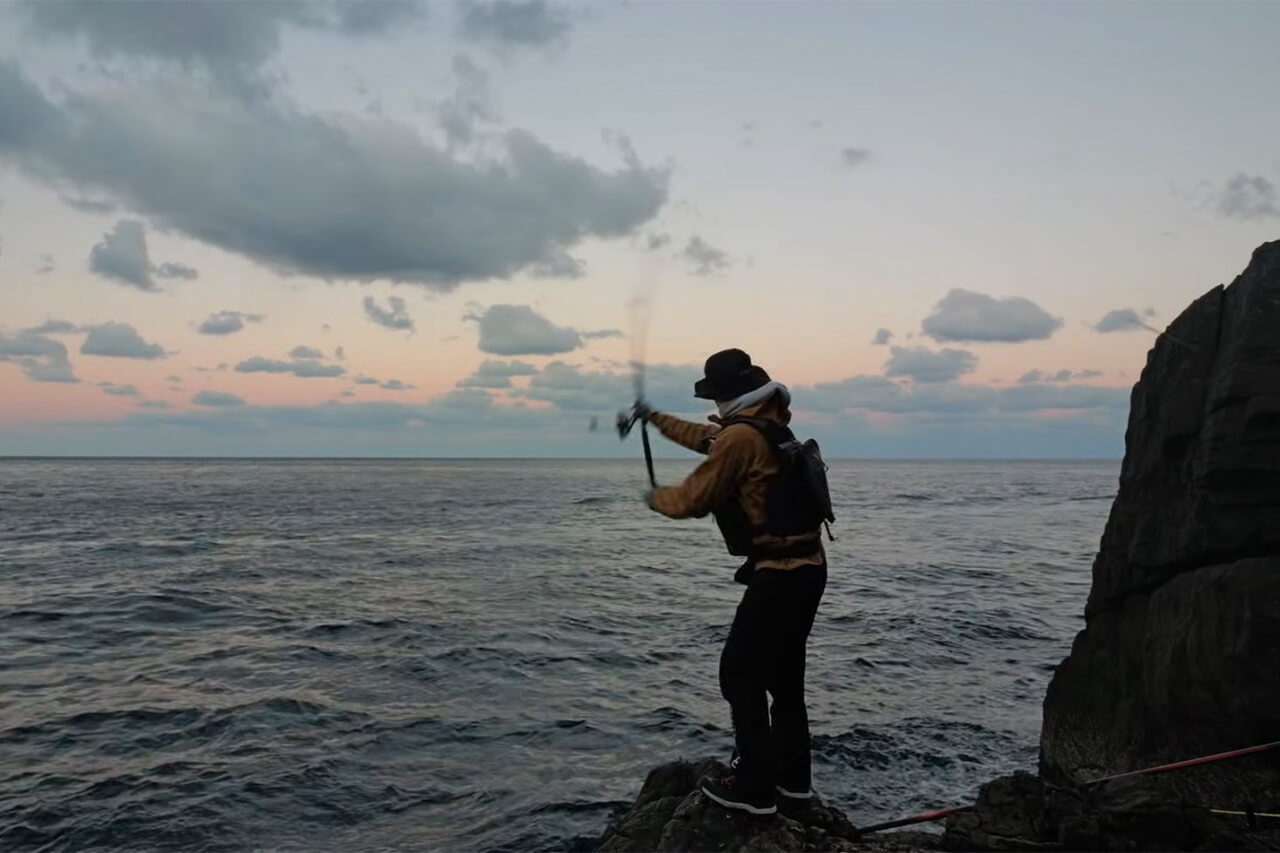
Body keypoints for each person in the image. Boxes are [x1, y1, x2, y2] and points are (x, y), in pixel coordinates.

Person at [628, 348, 830, 817]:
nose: (715, 407)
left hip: (779, 575)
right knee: (784, 678)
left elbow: (697, 497)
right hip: (808, 569)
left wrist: (659, 499)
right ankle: (794, 786)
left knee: (738, 672)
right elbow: (708, 439)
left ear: (729, 396)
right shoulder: (769, 425)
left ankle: (755, 786)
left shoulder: (741, 436)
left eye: (717, 396)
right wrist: (655, 419)